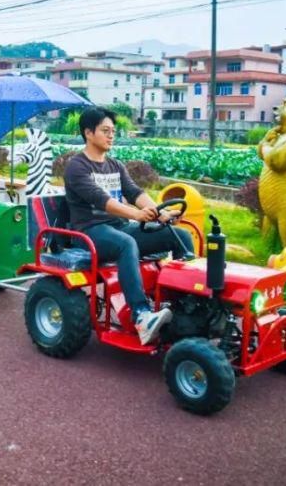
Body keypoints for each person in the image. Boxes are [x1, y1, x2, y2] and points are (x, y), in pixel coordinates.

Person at [63, 107, 194, 346]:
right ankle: (141, 316)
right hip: (89, 233)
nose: (111, 135)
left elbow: (135, 192)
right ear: (88, 133)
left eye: (113, 131)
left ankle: (186, 307)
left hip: (118, 227)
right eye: (105, 131)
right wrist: (137, 214)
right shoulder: (77, 166)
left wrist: (160, 213)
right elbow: (101, 200)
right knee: (126, 243)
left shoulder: (115, 165)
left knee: (180, 236)